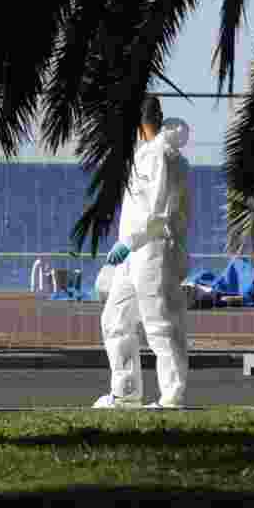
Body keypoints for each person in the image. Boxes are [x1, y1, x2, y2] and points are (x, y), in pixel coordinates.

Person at [93, 96, 191, 409]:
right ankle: (125, 393)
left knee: (160, 325)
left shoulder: (163, 156)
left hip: (155, 253)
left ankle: (172, 397)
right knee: (115, 319)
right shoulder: (142, 154)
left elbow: (158, 212)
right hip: (133, 257)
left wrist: (129, 242)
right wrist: (127, 245)